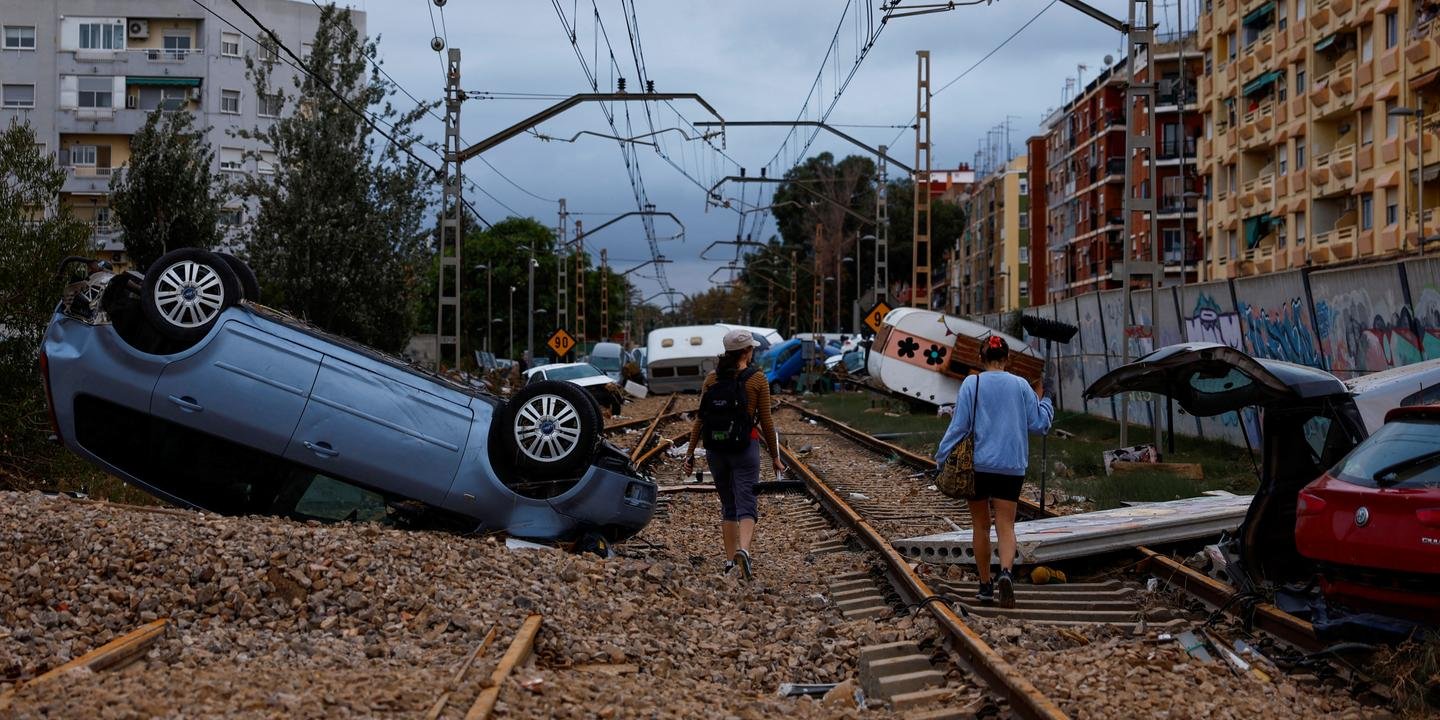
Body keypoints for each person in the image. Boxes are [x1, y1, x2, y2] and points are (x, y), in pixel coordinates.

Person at [934, 335, 1053, 608]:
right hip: (1011, 467)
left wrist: (941, 458)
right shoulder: (1021, 385)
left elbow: (959, 427)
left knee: (980, 526)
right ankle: (1007, 573)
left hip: (978, 466)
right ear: (1007, 358)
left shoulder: (971, 384)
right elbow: (1039, 425)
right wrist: (1045, 401)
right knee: (1006, 525)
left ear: (981, 358)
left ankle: (985, 586)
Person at [683, 329, 782, 580]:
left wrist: (691, 452)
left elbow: (701, 419)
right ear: (748, 351)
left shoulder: (711, 379)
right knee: (747, 502)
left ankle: (729, 562)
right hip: (745, 447)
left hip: (716, 449)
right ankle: (744, 551)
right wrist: (774, 456)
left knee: (728, 505)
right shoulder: (758, 379)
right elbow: (767, 421)